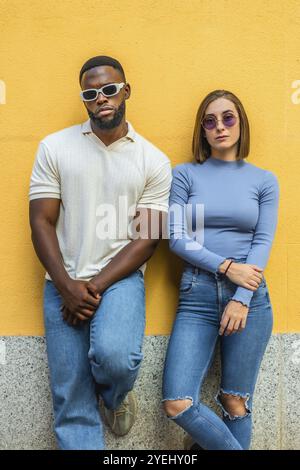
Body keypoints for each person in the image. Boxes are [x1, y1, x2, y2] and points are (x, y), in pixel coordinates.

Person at [29, 55, 172, 450]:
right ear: (85, 100)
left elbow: (148, 238)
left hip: (119, 279)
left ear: (126, 91)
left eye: (109, 89)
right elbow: (40, 221)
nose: (101, 98)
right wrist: (66, 284)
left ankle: (114, 398)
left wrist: (89, 287)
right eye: (91, 93)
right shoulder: (54, 147)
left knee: (116, 358)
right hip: (61, 278)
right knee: (71, 397)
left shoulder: (153, 160)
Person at [162, 90, 279, 450]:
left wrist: (242, 296)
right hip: (197, 294)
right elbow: (177, 239)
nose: (220, 127)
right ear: (203, 130)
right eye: (210, 121)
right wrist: (228, 267)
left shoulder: (264, 180)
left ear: (240, 122)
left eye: (228, 118)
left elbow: (262, 241)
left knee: (235, 402)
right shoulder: (184, 175)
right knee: (177, 403)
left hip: (250, 299)